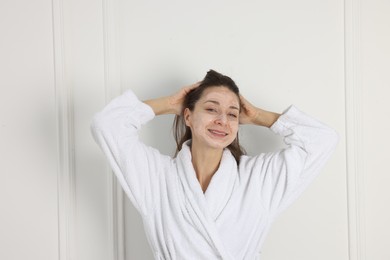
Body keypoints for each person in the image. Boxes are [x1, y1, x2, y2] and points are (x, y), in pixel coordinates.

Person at [90, 70, 338, 259]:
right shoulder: (157, 178)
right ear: (187, 116)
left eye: (232, 114)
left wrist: (259, 116)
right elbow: (107, 125)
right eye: (211, 109)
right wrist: (167, 104)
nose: (222, 120)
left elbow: (322, 140)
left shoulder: (258, 179)